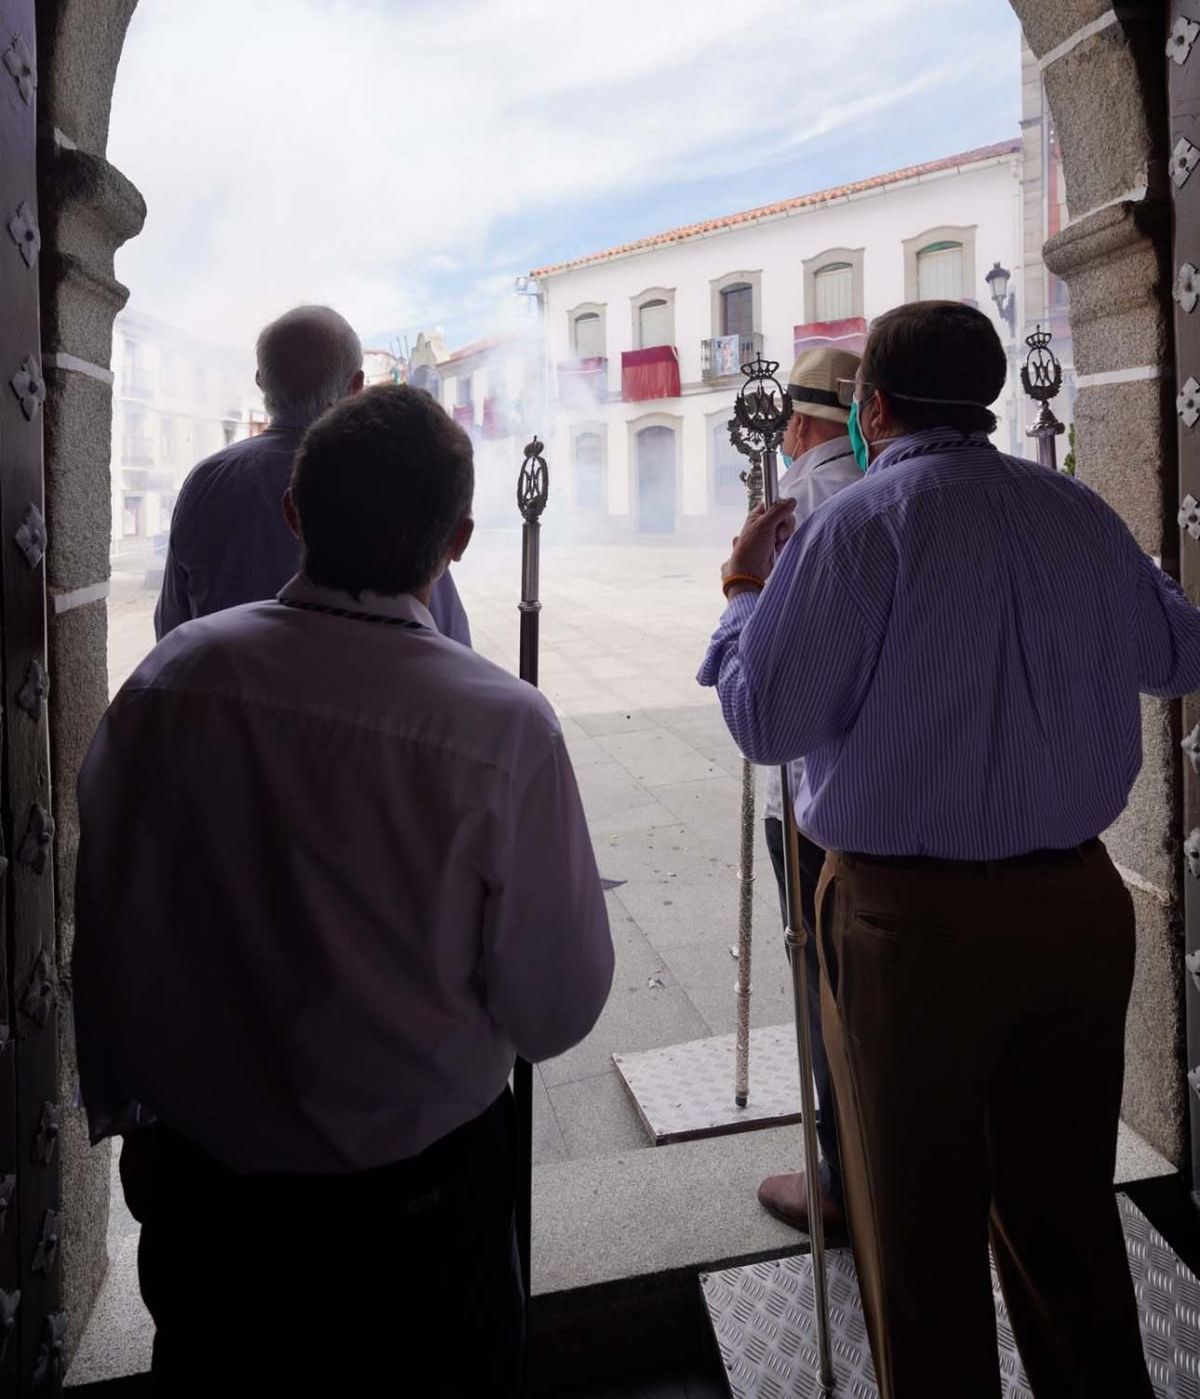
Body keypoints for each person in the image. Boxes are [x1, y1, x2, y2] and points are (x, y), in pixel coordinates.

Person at [699, 299, 1197, 1399]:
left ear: (874, 406)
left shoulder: (854, 527)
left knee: (916, 1228)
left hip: (907, 928)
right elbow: (1176, 653)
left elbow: (768, 723)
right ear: (991, 398)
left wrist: (741, 595)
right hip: (1076, 906)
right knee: (1067, 1209)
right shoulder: (1075, 510)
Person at [74, 383, 615, 1395]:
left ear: (294, 511)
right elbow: (556, 1005)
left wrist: (131, 1117)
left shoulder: (167, 682)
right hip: (418, 1216)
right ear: (456, 539)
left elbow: (106, 919)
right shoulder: (503, 728)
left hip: (212, 1204)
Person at [154, 303, 471, 645]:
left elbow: (172, 629)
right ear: (357, 386)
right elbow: (449, 641)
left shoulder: (206, 481)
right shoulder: (387, 479)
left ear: (261, 381)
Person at [754, 344, 862, 1240]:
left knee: (826, 991)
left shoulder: (803, 507)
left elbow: (766, 693)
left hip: (818, 803)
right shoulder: (889, 488)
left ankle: (837, 1177)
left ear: (796, 425)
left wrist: (739, 587)